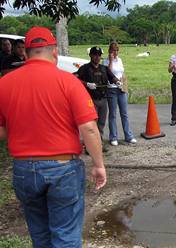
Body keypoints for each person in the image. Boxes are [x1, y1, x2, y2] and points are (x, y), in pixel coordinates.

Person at [0, 26, 106, 248]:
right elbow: (88, 127)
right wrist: (98, 165)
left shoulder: (4, 84)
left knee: (40, 236)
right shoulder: (69, 82)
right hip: (63, 168)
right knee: (65, 236)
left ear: (25, 53)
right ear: (55, 52)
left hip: (24, 170)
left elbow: (1, 131)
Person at [76, 46, 121, 151]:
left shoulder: (104, 68)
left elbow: (112, 77)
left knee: (101, 123)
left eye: (99, 55)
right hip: (91, 100)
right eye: (95, 55)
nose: (97, 57)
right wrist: (86, 84)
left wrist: (117, 81)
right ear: (90, 55)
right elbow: (74, 78)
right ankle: (89, 147)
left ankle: (99, 144)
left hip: (103, 99)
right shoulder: (85, 68)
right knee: (91, 124)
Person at [102, 41, 137, 146]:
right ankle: (113, 137)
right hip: (111, 89)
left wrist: (124, 84)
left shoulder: (120, 60)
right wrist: (111, 61)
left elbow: (122, 72)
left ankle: (128, 136)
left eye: (117, 50)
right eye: (113, 50)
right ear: (109, 51)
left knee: (124, 113)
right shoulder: (105, 61)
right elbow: (109, 72)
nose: (115, 52)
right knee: (113, 114)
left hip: (121, 89)